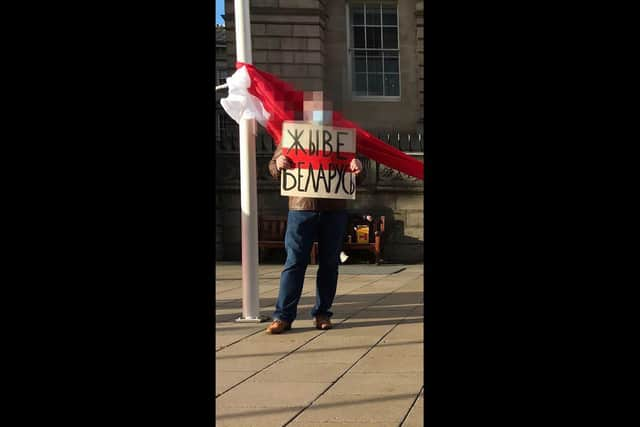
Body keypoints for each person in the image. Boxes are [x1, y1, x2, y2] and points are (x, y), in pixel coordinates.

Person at [265, 93, 367, 334]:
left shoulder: (340, 137)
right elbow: (272, 166)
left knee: (330, 264)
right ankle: (283, 316)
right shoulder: (292, 136)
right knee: (294, 262)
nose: (319, 113)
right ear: (307, 112)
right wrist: (278, 164)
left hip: (334, 209)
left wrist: (358, 169)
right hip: (301, 207)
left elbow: (357, 173)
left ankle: (322, 313)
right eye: (315, 108)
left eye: (323, 109)